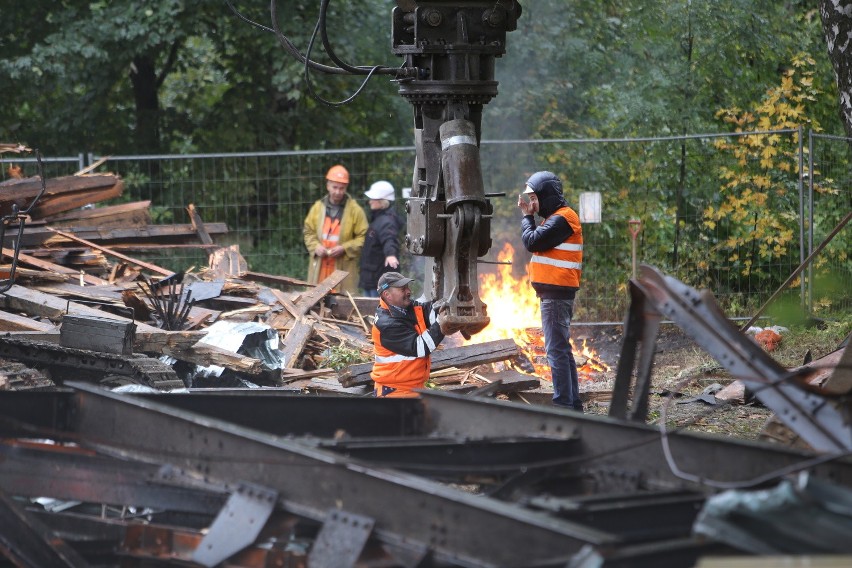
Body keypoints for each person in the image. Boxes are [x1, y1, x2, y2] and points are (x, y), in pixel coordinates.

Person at [518, 171, 584, 411]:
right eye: (531, 200)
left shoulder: (563, 218)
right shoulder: (556, 219)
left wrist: (527, 217)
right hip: (554, 295)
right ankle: (572, 404)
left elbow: (532, 241)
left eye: (535, 198)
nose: (532, 204)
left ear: (547, 196)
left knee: (555, 351)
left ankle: (563, 406)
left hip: (556, 296)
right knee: (562, 351)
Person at [370, 271, 462, 398]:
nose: (408, 291)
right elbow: (420, 347)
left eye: (407, 287)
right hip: (395, 392)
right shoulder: (387, 325)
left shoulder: (405, 307)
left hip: (412, 387)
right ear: (387, 295)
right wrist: (442, 321)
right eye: (402, 289)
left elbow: (427, 312)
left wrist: (452, 310)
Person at [303, 165, 368, 295]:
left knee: (343, 304)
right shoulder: (317, 208)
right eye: (335, 187)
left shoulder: (355, 210)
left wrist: (344, 248)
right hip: (320, 267)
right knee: (316, 299)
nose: (338, 192)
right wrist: (315, 247)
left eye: (342, 188)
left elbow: (363, 237)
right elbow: (308, 231)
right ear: (328, 186)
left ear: (346, 188)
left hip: (343, 269)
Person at [359, 180, 403, 297]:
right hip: (372, 277)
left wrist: (390, 254)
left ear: (382, 201)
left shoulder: (386, 221)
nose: (370, 201)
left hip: (377, 280)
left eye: (373, 198)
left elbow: (389, 238)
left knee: (376, 310)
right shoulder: (379, 219)